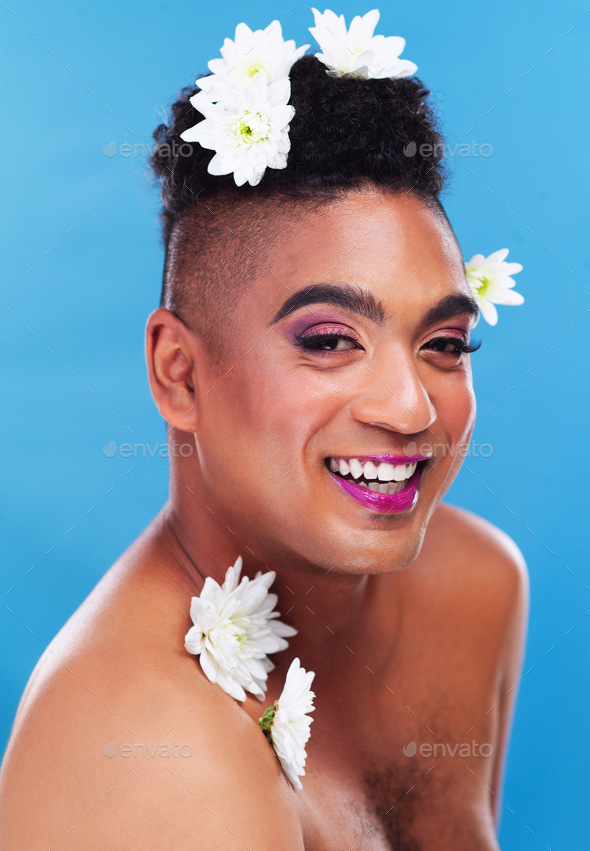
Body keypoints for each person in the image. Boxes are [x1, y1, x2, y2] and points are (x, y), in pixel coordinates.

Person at [0, 9, 528, 849]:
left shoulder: (477, 586)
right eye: (327, 341)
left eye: (443, 344)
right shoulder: (140, 751)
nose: (411, 408)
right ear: (180, 372)